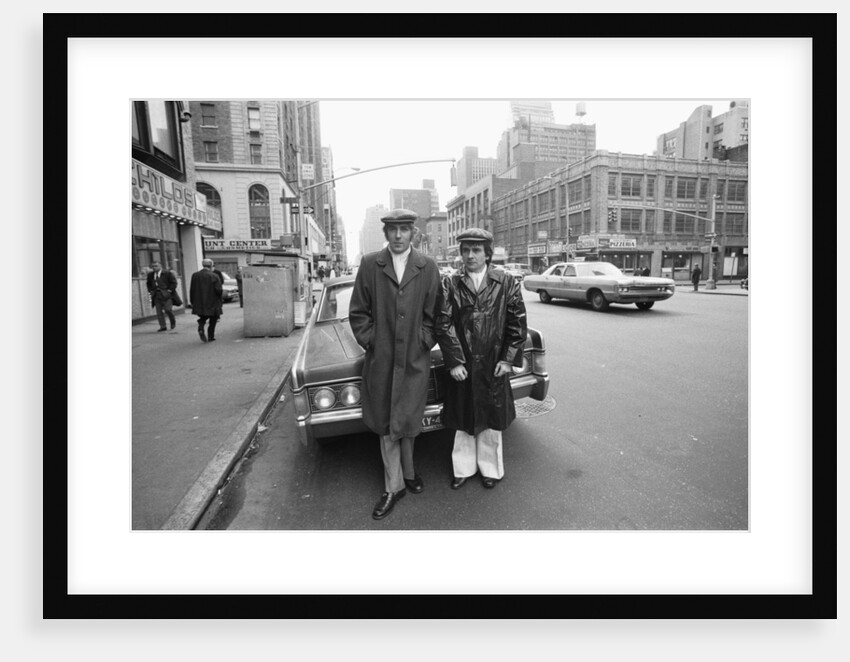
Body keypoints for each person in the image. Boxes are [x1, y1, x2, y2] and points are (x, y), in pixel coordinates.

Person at [349, 208, 441, 520]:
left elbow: (436, 314)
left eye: (404, 229)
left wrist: (424, 341)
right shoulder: (370, 264)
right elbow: (358, 312)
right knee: (387, 421)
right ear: (385, 232)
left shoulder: (427, 266)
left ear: (413, 232)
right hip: (383, 359)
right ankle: (394, 485)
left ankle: (410, 472)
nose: (398, 235)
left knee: (409, 419)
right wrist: (373, 340)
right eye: (393, 229)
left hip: (414, 358)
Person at [436, 228, 527, 490]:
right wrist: (455, 361)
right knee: (463, 418)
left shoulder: (506, 282)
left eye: (476, 250)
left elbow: (517, 322)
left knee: (491, 418)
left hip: (493, 362)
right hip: (464, 364)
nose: (470, 255)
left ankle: (490, 469)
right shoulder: (450, 283)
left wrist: (508, 359)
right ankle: (463, 469)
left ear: (487, 254)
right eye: (465, 250)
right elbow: (443, 323)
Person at [189, 258, 223, 343]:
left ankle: (201, 326)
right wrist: (220, 299)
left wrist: (192, 301)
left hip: (199, 301)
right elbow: (219, 290)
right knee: (213, 318)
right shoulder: (214, 276)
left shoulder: (195, 275)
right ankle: (211, 336)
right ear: (211, 265)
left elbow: (192, 289)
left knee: (203, 315)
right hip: (212, 300)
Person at [146, 261, 177, 332]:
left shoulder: (167, 273)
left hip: (166, 295)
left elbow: (174, 283)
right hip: (156, 294)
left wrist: (169, 290)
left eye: (156, 266)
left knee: (168, 309)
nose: (154, 268)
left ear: (160, 266)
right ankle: (163, 326)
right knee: (159, 312)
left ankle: (172, 321)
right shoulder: (150, 275)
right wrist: (150, 290)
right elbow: (148, 283)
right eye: (153, 266)